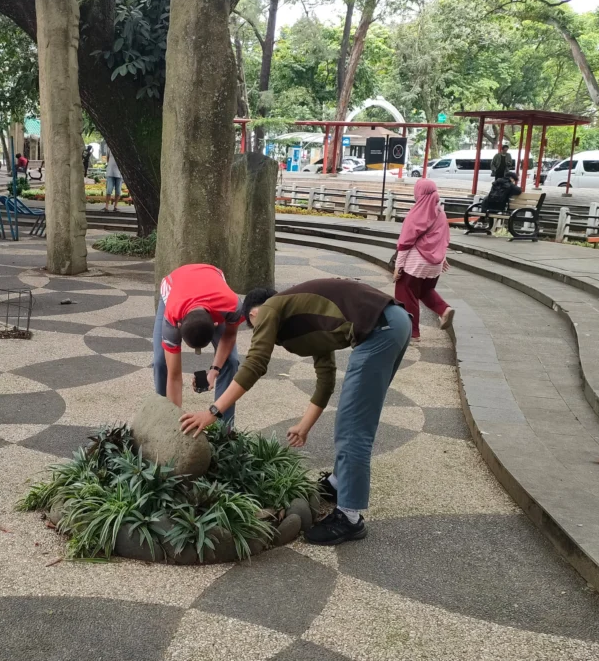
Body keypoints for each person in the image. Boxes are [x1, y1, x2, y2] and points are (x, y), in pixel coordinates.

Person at [179, 279, 411, 546]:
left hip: (380, 329)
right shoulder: (306, 317)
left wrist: (213, 411)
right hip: (392, 322)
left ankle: (349, 517)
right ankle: (337, 484)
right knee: (355, 418)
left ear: (253, 315)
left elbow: (256, 362)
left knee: (352, 426)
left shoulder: (268, 310)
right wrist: (304, 425)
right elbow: (326, 378)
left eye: (255, 328)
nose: (261, 333)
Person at [154, 264, 243, 425]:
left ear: (216, 323)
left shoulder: (232, 305)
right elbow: (174, 377)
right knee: (161, 362)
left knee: (230, 361)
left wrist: (213, 372)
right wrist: (176, 426)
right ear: (179, 326)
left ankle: (225, 430)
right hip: (174, 285)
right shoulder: (172, 316)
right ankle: (164, 420)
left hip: (213, 280)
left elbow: (229, 336)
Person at [394, 179, 455, 340]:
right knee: (425, 290)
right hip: (435, 264)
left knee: (406, 294)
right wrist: (442, 258)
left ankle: (412, 333)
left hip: (415, 262)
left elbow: (405, 243)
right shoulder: (441, 213)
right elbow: (443, 238)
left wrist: (398, 267)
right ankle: (444, 310)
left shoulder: (416, 213)